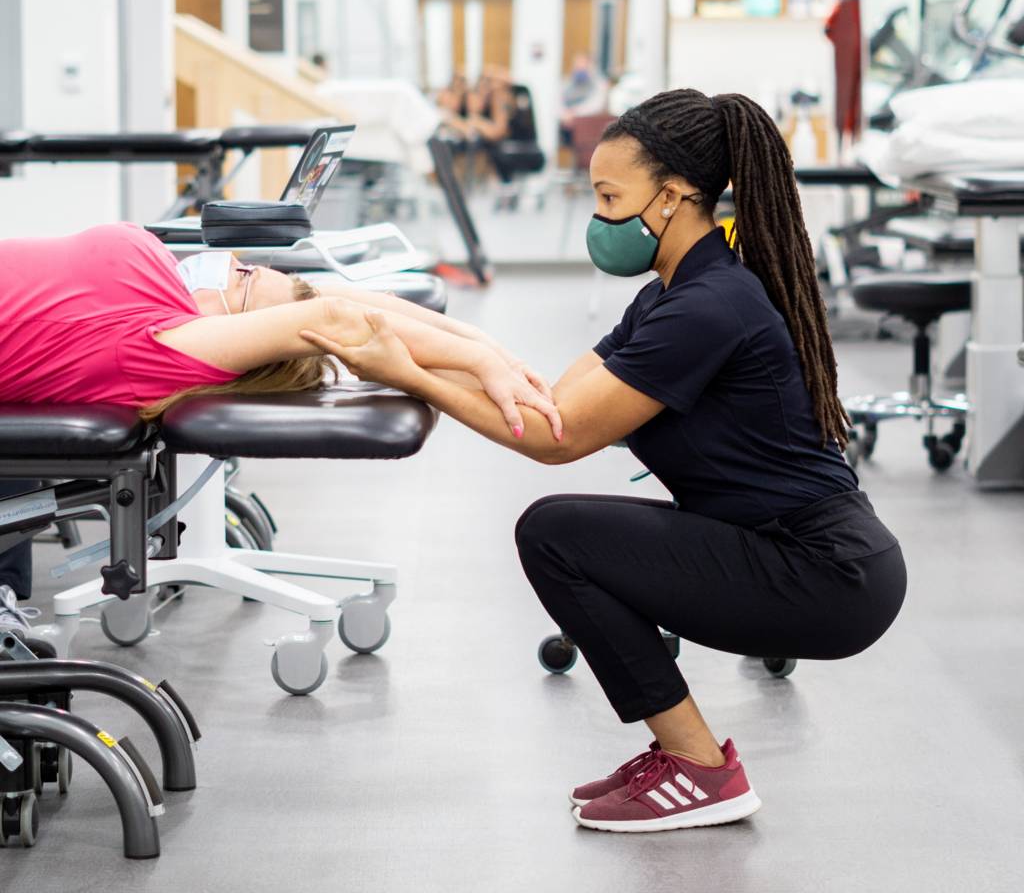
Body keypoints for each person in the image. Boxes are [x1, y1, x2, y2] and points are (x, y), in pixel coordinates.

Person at [298, 88, 908, 834]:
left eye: (612, 197)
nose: (601, 218)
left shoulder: (707, 308)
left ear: (674, 197)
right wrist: (404, 333)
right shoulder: (669, 296)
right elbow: (556, 401)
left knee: (557, 535)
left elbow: (558, 443)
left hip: (826, 574)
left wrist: (412, 375)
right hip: (799, 553)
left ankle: (702, 769)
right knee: (565, 534)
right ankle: (681, 755)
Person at [0, 221, 561, 626]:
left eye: (242, 278)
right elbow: (335, 297)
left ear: (241, 341)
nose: (232, 266)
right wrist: (494, 349)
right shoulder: (178, 301)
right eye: (250, 270)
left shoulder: (167, 341)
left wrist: (479, 367)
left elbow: (330, 319)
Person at [559, 53, 608, 148]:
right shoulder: (567, 83)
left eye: (583, 66)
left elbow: (596, 105)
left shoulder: (599, 84)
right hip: (567, 124)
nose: (580, 69)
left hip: (589, 126)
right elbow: (559, 103)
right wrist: (564, 114)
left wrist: (574, 113)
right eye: (577, 66)